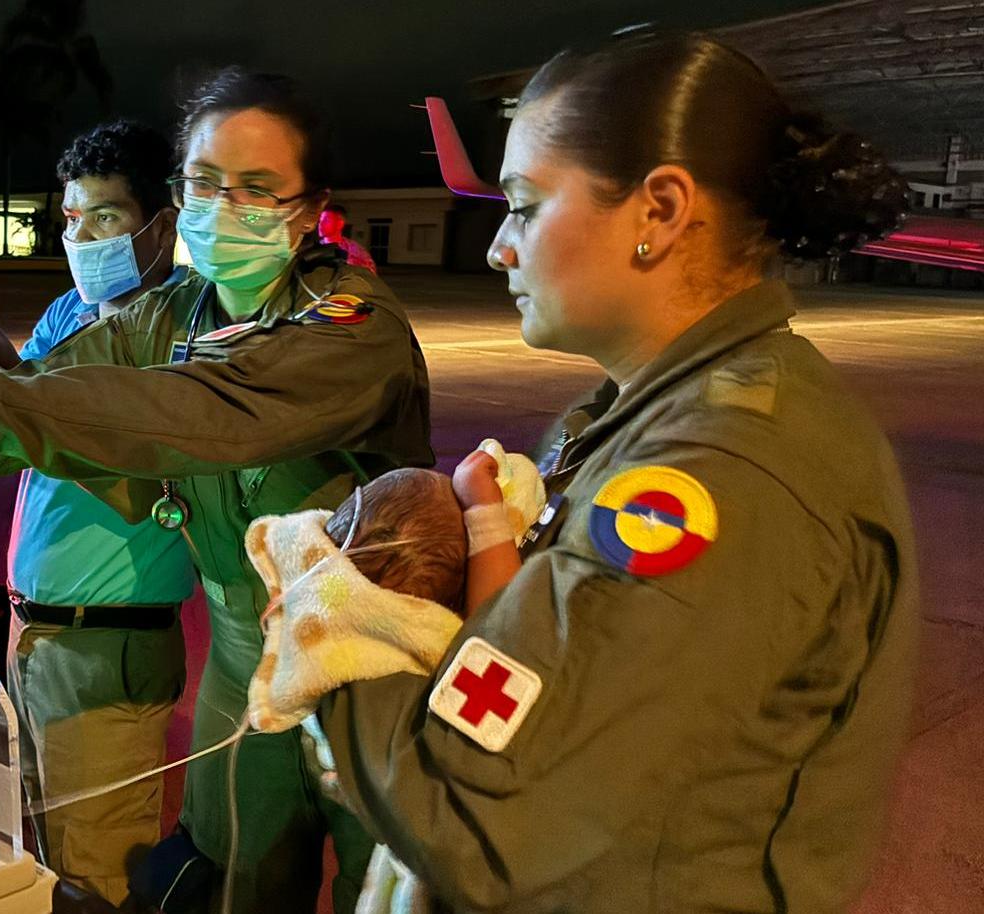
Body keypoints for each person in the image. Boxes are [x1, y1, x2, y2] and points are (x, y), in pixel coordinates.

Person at [0, 67, 435, 913]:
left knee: (386, 878)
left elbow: (198, 410)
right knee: (232, 875)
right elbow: (40, 403)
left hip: (363, 653)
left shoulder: (348, 327)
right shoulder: (171, 313)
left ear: (310, 207)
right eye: (204, 182)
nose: (225, 206)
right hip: (240, 650)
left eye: (257, 189)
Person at [312, 32, 916, 913]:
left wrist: (333, 630)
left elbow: (474, 814)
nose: (497, 250)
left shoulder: (719, 473)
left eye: (523, 206)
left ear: (660, 210)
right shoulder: (649, 412)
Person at [0, 119, 197, 909]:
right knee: (45, 852)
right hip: (33, 630)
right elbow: (32, 418)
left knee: (100, 872)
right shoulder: (72, 311)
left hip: (111, 642)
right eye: (71, 219)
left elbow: (69, 414)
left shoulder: (177, 331)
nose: (82, 236)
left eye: (104, 217)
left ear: (160, 225)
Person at [317, 204, 377, 273]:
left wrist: (349, 262)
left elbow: (371, 272)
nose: (321, 224)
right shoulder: (313, 248)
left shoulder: (355, 250)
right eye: (320, 220)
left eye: (326, 220)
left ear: (340, 224)